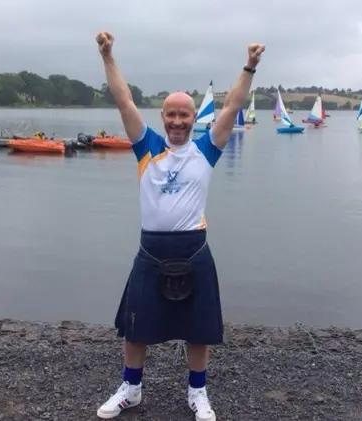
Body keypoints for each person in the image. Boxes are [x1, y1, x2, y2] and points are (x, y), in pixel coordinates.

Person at [94, 31, 265, 421]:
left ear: (193, 119)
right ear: (162, 118)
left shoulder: (207, 149)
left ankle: (198, 394)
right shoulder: (146, 146)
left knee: (198, 329)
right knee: (135, 329)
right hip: (150, 251)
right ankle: (131, 389)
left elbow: (233, 105)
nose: (176, 120)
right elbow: (123, 98)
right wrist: (107, 56)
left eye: (183, 114)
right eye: (170, 114)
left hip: (194, 250)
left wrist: (250, 66)